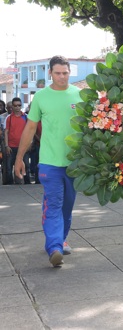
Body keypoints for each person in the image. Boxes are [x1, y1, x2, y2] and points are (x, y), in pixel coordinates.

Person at [14, 55, 81, 267]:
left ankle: (60, 238)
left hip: (75, 163)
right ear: (50, 73)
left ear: (70, 73)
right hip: (50, 162)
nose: (62, 77)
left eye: (66, 73)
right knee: (53, 204)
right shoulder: (41, 97)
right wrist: (19, 158)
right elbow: (30, 128)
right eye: (58, 73)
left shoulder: (80, 95)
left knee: (67, 207)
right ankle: (54, 247)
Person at [4, 97, 31, 185]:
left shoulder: (26, 117)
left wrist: (30, 143)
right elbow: (6, 132)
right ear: (12, 106)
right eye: (15, 105)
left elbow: (30, 131)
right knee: (9, 167)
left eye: (19, 105)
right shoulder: (9, 118)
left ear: (21, 106)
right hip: (11, 147)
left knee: (26, 165)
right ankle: (10, 185)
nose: (17, 107)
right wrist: (7, 146)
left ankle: (27, 183)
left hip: (23, 147)